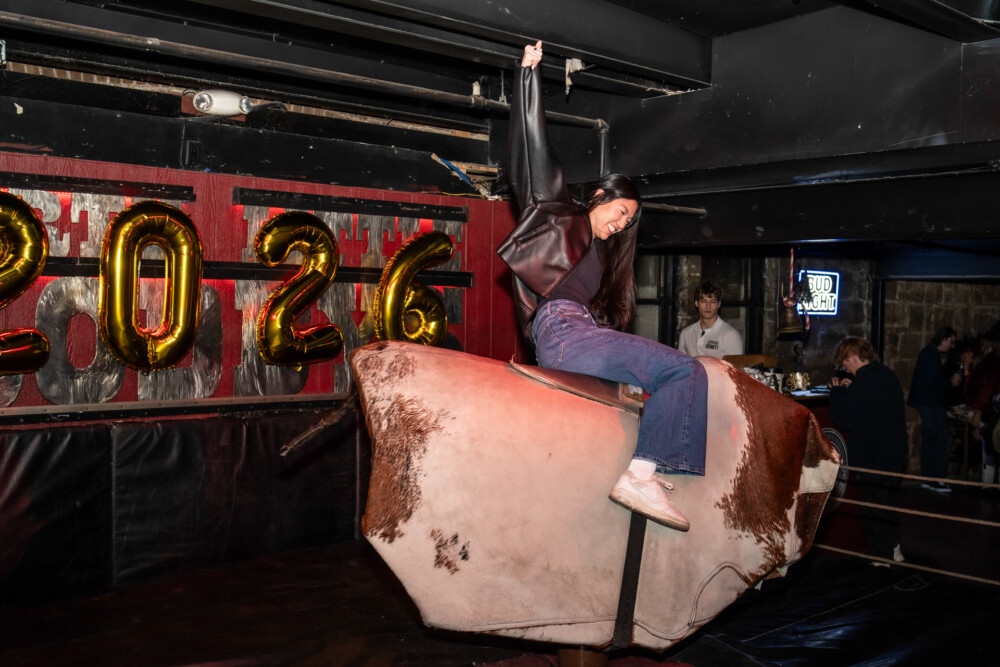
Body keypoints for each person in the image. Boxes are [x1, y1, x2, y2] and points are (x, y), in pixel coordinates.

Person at [496, 41, 707, 531]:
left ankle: (647, 467)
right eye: (621, 212)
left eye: (629, 222)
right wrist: (528, 79)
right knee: (683, 371)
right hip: (563, 330)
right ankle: (642, 474)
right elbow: (532, 153)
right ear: (601, 195)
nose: (621, 224)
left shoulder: (597, 259)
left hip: (573, 333)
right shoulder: (557, 215)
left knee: (652, 386)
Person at [829, 338, 907, 563]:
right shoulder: (887, 375)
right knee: (889, 504)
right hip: (894, 454)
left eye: (845, 364)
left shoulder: (863, 383)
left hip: (872, 456)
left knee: (874, 509)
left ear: (853, 357)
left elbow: (845, 418)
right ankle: (894, 549)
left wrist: (837, 392)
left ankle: (880, 557)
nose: (847, 369)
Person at [908, 326, 959, 492]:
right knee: (940, 441)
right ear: (943, 339)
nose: (952, 346)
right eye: (951, 342)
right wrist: (950, 383)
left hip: (928, 403)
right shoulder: (931, 355)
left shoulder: (929, 353)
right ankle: (935, 479)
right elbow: (932, 383)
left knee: (931, 441)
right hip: (930, 404)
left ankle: (929, 477)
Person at [966, 325, 1000, 485]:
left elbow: (983, 389)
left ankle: (988, 484)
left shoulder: (989, 363)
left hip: (991, 408)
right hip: (991, 409)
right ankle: (988, 484)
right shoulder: (988, 362)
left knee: (990, 446)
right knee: (990, 446)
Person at [677, 281, 744, 359]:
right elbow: (681, 366)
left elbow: (735, 370)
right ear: (696, 303)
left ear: (718, 304)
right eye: (703, 301)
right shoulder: (686, 334)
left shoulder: (731, 336)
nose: (708, 306)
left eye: (712, 302)